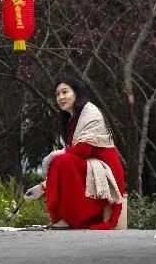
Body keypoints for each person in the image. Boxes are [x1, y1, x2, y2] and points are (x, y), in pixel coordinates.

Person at [23, 74, 126, 229]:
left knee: (62, 160)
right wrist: (42, 187)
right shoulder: (72, 120)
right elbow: (74, 158)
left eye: (65, 92)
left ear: (77, 92)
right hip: (91, 167)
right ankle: (66, 218)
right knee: (62, 160)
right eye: (57, 94)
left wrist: (54, 154)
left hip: (107, 171)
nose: (60, 97)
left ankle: (71, 218)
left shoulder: (91, 113)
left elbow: (82, 151)